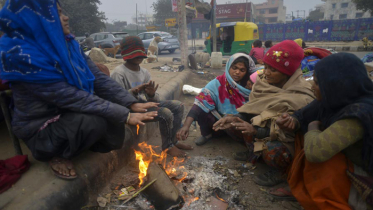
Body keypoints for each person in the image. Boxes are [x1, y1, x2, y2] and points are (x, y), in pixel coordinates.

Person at [0, 0, 158, 180]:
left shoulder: (69, 45)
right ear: (36, 20)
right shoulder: (23, 57)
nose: (66, 17)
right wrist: (126, 115)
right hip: (41, 127)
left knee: (112, 120)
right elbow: (71, 97)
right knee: (94, 121)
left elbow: (99, 79)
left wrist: (131, 103)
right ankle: (53, 154)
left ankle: (80, 143)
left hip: (68, 113)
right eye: (57, 14)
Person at [277, 53, 373, 209]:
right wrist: (291, 121)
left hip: (364, 181)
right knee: (301, 136)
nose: (311, 86)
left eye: (316, 82)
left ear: (336, 84)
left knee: (321, 156)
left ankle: (330, 202)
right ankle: (306, 190)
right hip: (350, 166)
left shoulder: (360, 113)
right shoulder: (335, 99)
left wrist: (313, 127)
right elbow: (302, 115)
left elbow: (316, 152)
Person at [213, 40, 315, 187]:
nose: (266, 73)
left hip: (285, 141)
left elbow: (291, 134)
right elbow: (252, 109)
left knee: (273, 151)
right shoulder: (262, 84)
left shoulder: (302, 96)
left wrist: (256, 131)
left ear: (288, 72)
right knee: (233, 123)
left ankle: (282, 172)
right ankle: (253, 153)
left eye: (272, 70)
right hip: (263, 129)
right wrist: (235, 118)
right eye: (265, 67)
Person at [111, 36, 192, 157]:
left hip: (144, 105)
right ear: (127, 55)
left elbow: (155, 100)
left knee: (178, 106)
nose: (138, 57)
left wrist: (151, 94)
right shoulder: (119, 73)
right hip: (130, 110)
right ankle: (167, 146)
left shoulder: (144, 72)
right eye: (134, 55)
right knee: (165, 113)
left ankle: (174, 141)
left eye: (140, 54)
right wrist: (133, 91)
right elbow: (116, 100)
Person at [177, 53, 255, 146]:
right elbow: (198, 104)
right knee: (202, 108)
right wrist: (186, 126)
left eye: (242, 70)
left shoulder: (252, 85)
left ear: (247, 71)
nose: (237, 72)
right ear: (228, 67)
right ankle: (207, 135)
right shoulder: (217, 83)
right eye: (234, 68)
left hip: (238, 124)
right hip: (218, 125)